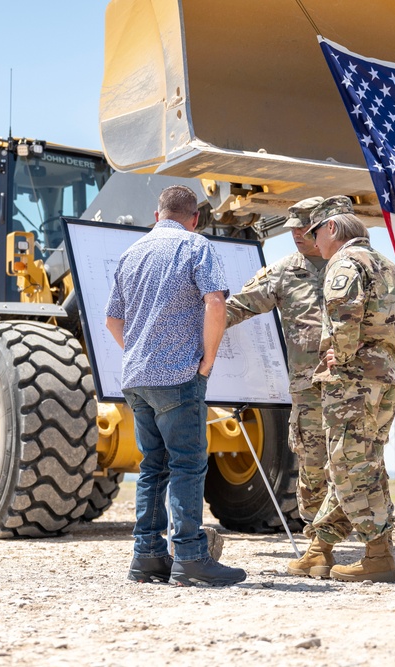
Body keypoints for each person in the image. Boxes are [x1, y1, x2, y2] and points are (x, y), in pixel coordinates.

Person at [105, 184, 247, 587]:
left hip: (136, 378)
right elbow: (215, 302)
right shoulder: (195, 246)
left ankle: (146, 557)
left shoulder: (131, 254)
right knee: (187, 464)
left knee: (153, 467)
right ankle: (189, 557)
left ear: (156, 215)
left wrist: (138, 351)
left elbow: (113, 321)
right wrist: (209, 359)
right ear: (195, 218)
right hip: (179, 376)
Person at [304, 205, 395, 583]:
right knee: (360, 460)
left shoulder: (344, 264)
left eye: (314, 234)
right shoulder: (386, 265)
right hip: (381, 382)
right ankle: (318, 551)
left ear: (332, 227)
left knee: (348, 463)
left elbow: (345, 314)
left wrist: (339, 357)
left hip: (351, 380)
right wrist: (391, 358)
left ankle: (378, 554)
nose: (312, 242)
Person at [224, 196, 343, 577]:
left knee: (358, 461)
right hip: (308, 392)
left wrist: (393, 362)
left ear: (325, 226)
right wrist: (192, 328)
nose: (293, 231)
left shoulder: (356, 266)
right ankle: (317, 546)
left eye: (302, 225)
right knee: (311, 465)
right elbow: (236, 306)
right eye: (290, 224)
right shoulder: (284, 271)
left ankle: (374, 544)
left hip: (355, 389)